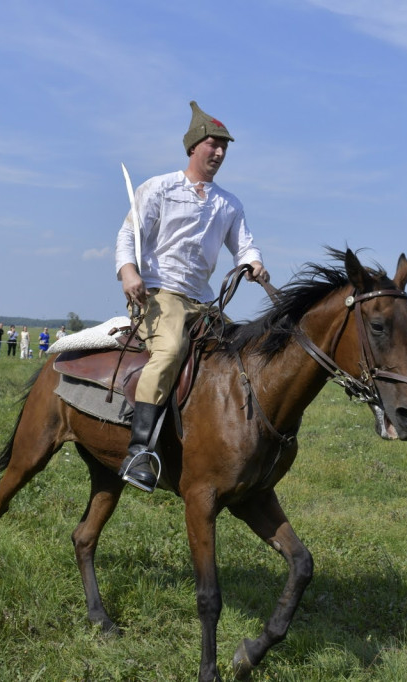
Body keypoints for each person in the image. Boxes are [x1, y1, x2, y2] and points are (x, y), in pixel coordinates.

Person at [113, 100, 269, 492]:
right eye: (213, 145)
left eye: (224, 148)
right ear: (193, 147)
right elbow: (128, 235)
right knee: (167, 354)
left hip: (203, 300)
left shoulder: (228, 204)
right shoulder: (160, 188)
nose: (218, 153)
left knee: (242, 356)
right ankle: (139, 451)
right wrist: (129, 272)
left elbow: (244, 245)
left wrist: (253, 262)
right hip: (160, 294)